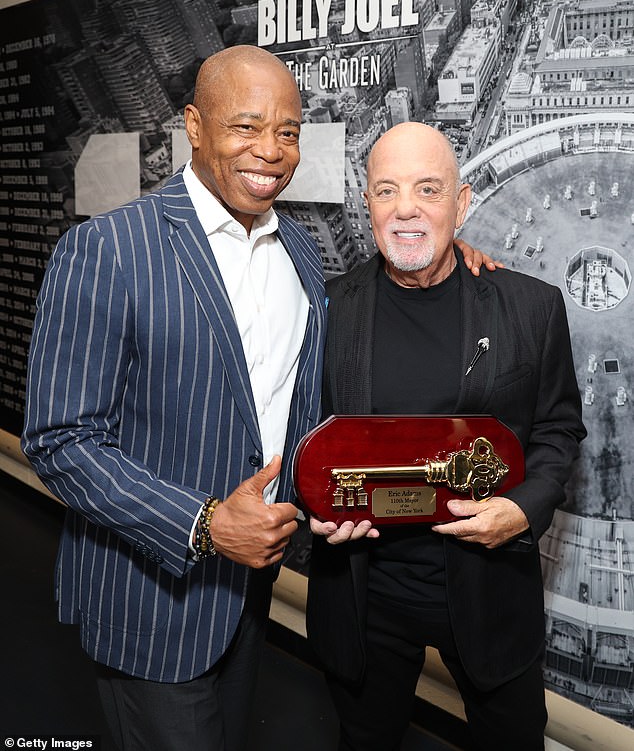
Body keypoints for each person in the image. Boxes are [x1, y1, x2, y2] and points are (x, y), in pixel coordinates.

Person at [21, 47, 492, 751]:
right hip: (151, 602)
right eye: (245, 126)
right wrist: (206, 523)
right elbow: (59, 440)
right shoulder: (109, 249)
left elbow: (297, 411)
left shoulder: (299, 254)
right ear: (195, 126)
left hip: (247, 599)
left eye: (289, 131)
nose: (270, 151)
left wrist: (457, 258)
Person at [307, 122, 586, 751]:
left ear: (461, 204)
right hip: (365, 595)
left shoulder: (533, 307)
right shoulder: (326, 310)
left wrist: (522, 508)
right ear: (367, 203)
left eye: (428, 189)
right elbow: (302, 436)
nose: (405, 208)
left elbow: (559, 429)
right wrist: (314, 509)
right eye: (387, 191)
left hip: (489, 592)